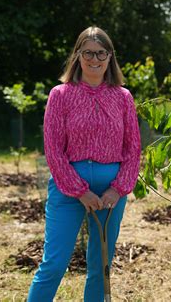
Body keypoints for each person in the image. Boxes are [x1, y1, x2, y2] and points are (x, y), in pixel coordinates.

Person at [28, 26, 141, 301]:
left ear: (110, 56)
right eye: (88, 52)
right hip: (68, 192)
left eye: (101, 52)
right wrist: (80, 190)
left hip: (111, 195)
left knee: (99, 266)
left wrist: (118, 189)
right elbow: (53, 149)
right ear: (78, 55)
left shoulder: (123, 97)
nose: (95, 59)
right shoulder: (61, 94)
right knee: (54, 263)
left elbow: (133, 148)